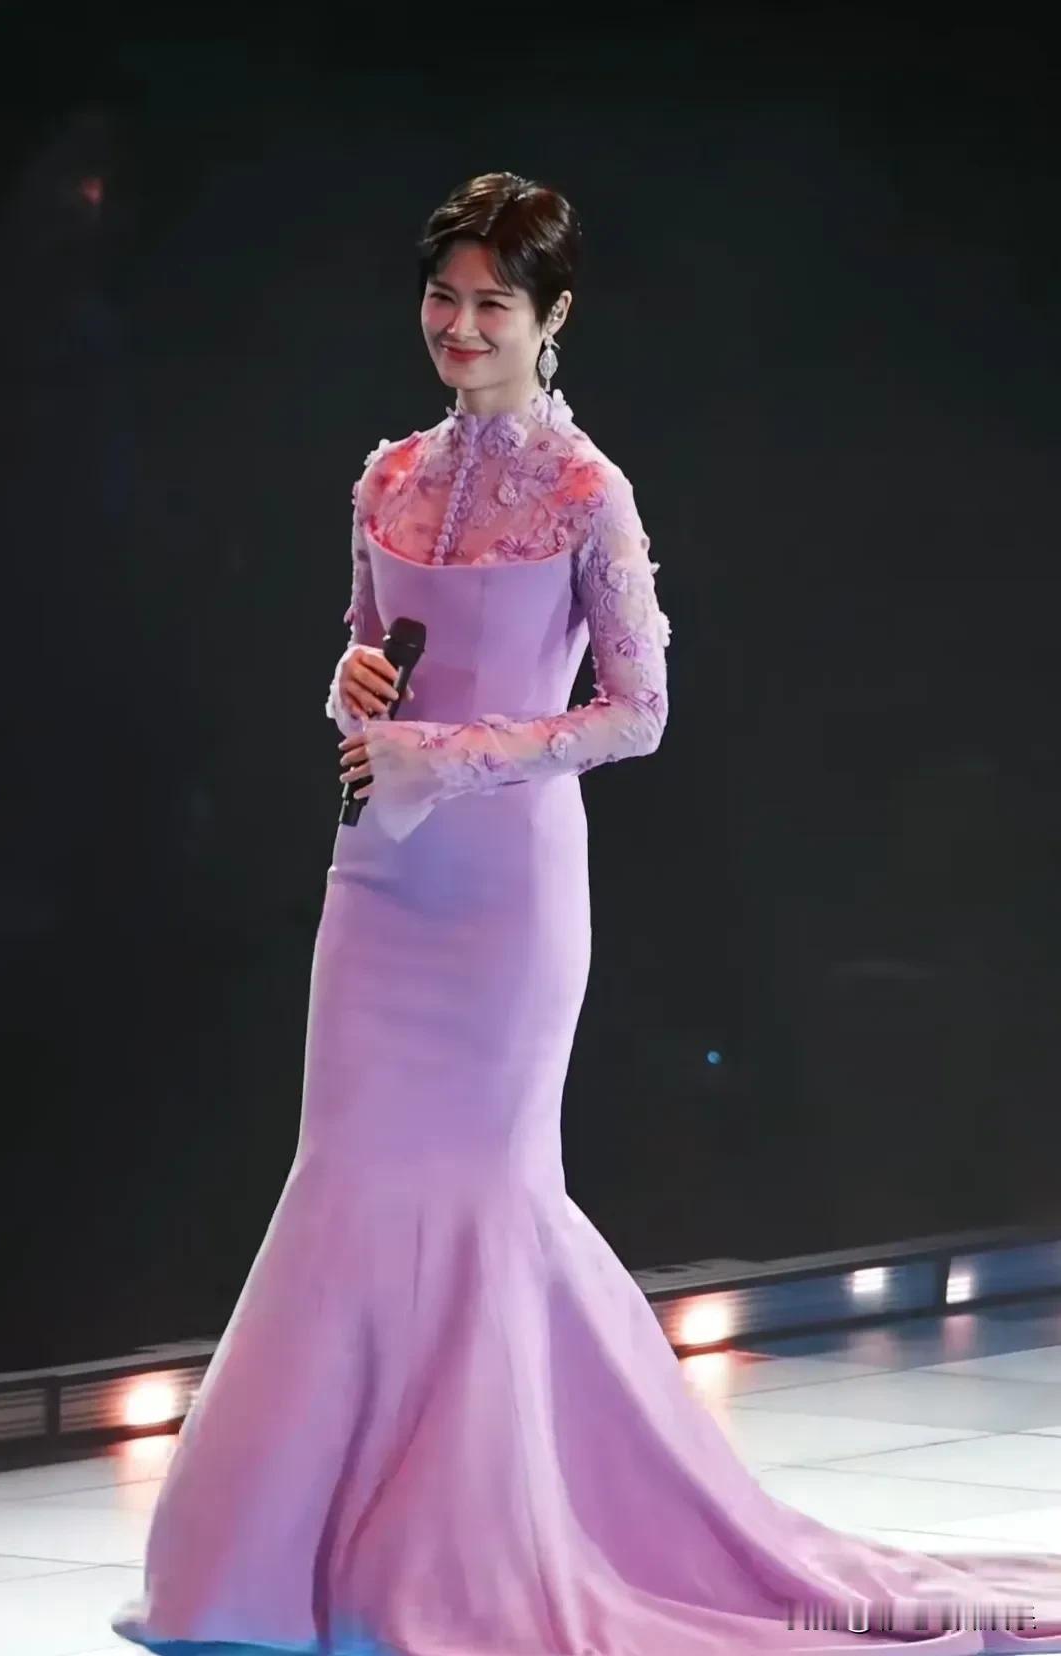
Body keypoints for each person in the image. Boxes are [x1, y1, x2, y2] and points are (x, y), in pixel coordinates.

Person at [112, 173, 1060, 1654]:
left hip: (505, 894)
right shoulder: (384, 479)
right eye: (443, 297)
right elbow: (367, 671)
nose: (460, 326)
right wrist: (352, 689)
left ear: (551, 316)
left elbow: (638, 710)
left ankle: (474, 1544)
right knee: (348, 1180)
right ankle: (286, 1562)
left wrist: (448, 754)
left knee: (488, 1196)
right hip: (378, 882)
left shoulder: (586, 491)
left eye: (493, 302)